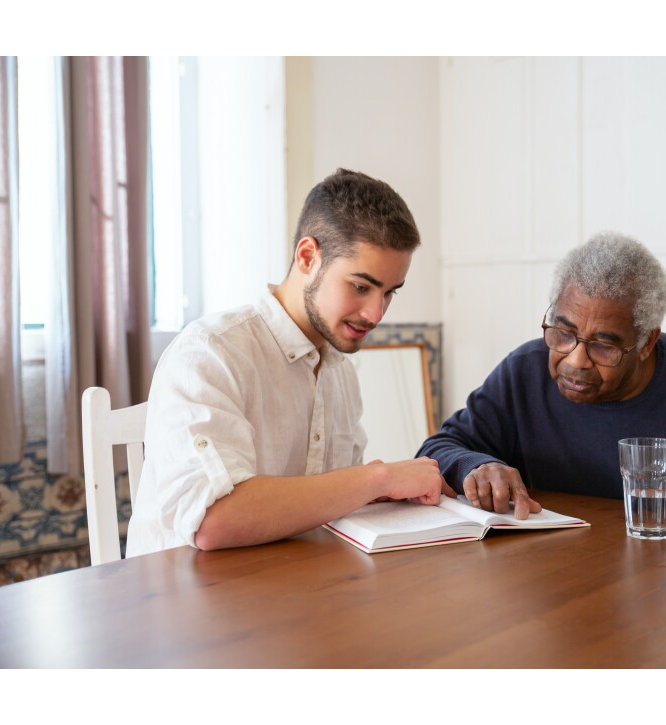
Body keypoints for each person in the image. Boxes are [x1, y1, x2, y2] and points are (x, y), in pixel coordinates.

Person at [126, 169, 452, 557]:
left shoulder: (340, 372)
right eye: (361, 287)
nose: (376, 314)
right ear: (307, 257)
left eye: (389, 293)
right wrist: (379, 478)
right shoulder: (211, 352)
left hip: (290, 589)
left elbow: (336, 503)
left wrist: (399, 495)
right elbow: (214, 521)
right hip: (184, 603)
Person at [417, 231, 666, 527]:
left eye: (604, 346)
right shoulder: (523, 371)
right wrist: (477, 465)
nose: (575, 360)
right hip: (549, 580)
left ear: (645, 343)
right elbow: (436, 449)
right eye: (562, 333)